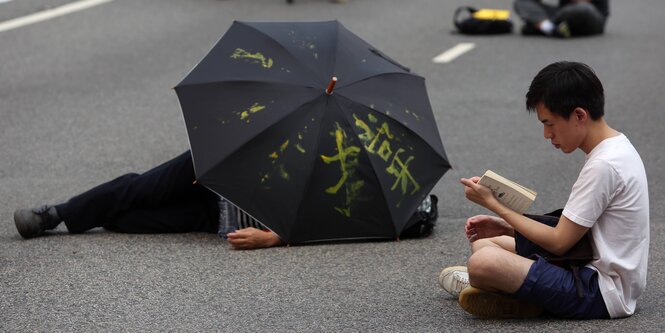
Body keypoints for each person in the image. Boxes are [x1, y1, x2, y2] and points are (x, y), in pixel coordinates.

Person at [438, 61, 649, 319]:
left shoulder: (604, 165)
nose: (547, 134)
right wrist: (508, 228)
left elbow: (560, 242)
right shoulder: (615, 147)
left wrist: (495, 204)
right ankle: (513, 293)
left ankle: (510, 292)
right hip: (588, 263)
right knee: (485, 245)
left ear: (579, 116)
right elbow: (575, 230)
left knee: (483, 263)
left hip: (601, 291)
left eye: (549, 123)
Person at [14, 151, 436, 250]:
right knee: (137, 188)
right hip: (217, 169)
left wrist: (273, 238)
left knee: (126, 220)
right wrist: (220, 162)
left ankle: (86, 210)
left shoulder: (369, 213)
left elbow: (329, 229)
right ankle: (57, 215)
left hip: (221, 218)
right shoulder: (346, 146)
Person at [514, 0, 609, 38]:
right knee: (522, 2)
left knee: (583, 8)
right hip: (561, 15)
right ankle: (549, 28)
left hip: (591, 18)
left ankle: (542, 26)